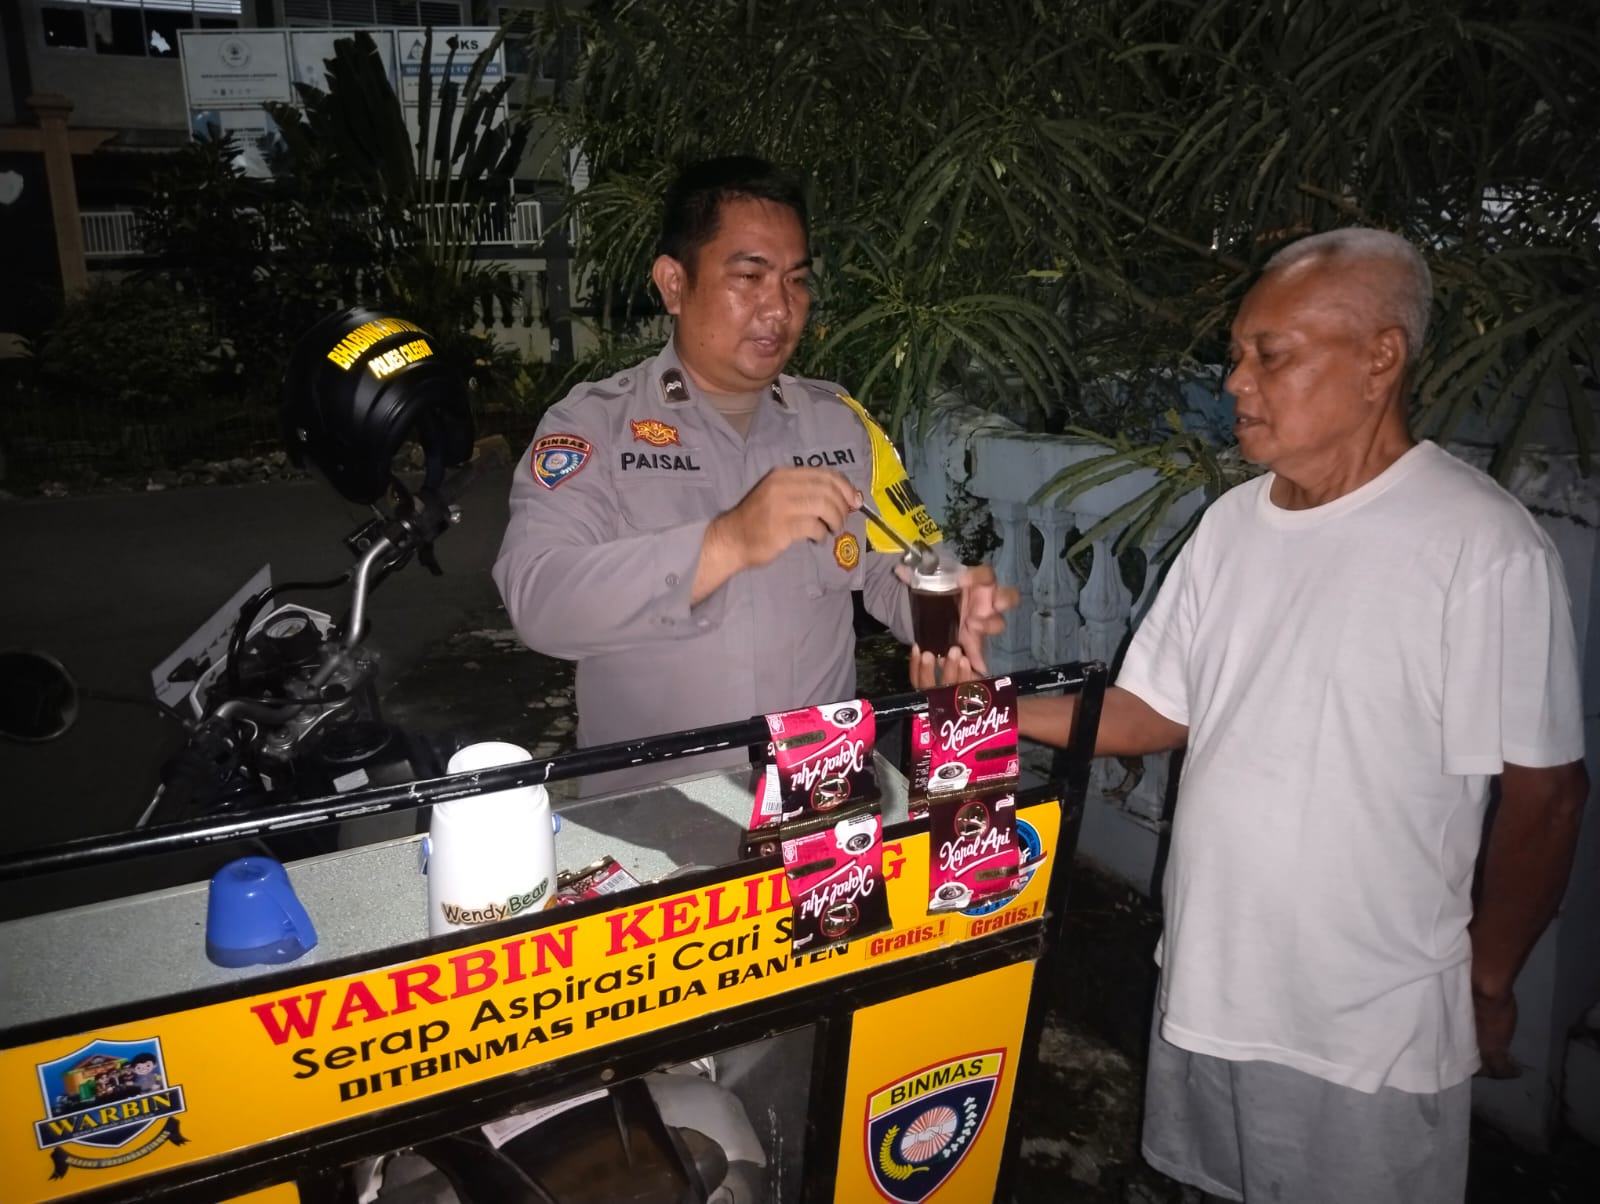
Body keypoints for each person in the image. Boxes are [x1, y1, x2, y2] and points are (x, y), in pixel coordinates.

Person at [914, 229, 1588, 1203]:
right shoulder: (1232, 524)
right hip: (1210, 982)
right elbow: (1153, 710)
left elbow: (1547, 794)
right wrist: (989, 710)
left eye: (1269, 355)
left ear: (1380, 359)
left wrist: (1488, 982)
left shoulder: (1479, 544)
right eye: (1237, 354)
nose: (1235, 381)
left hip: (1367, 1029)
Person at [494, 156, 1014, 791]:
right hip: (654, 816)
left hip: (819, 803)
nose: (780, 308)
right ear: (674, 284)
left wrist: (951, 603)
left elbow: (899, 559)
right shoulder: (593, 427)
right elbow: (538, 598)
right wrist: (725, 543)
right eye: (749, 276)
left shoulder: (839, 425)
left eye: (796, 281)